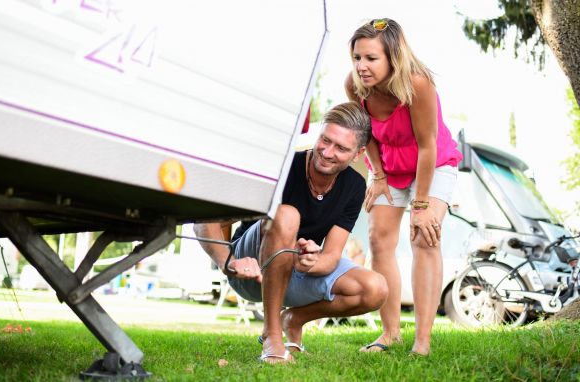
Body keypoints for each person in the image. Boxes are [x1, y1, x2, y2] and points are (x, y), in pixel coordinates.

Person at [194, 102, 388, 363]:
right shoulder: (283, 169)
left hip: (296, 272)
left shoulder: (354, 186)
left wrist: (311, 260)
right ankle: (272, 335)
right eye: (325, 140)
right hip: (252, 270)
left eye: (341, 148)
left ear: (358, 153)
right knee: (287, 215)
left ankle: (294, 319)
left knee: (375, 288)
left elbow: (330, 257)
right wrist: (226, 262)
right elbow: (205, 219)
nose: (327, 152)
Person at [344, 18, 462, 356]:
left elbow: (428, 146)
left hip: (433, 164)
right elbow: (364, 134)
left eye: (370, 58)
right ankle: (390, 333)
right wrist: (378, 175)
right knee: (380, 240)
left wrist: (421, 205)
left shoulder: (417, 84)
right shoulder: (355, 85)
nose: (361, 67)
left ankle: (422, 341)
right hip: (389, 166)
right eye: (356, 58)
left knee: (423, 236)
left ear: (393, 56)